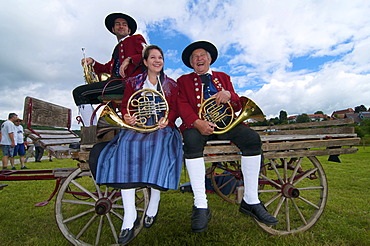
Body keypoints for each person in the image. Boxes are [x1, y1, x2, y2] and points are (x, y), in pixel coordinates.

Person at [177, 41, 278, 233]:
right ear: (191, 63)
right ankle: (201, 205)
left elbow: (238, 105)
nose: (199, 59)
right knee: (190, 141)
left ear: (209, 59)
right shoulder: (183, 81)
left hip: (226, 124)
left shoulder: (223, 77)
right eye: (195, 57)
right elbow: (182, 103)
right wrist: (197, 122)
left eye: (202, 55)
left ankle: (251, 200)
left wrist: (228, 94)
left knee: (252, 139)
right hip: (198, 126)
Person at [95, 45, 182, 244]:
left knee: (161, 148)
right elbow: (127, 105)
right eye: (153, 57)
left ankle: (154, 203)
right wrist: (128, 116)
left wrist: (167, 120)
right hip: (139, 125)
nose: (157, 61)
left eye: (160, 57)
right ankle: (129, 215)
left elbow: (175, 109)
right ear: (145, 62)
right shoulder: (133, 82)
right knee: (125, 147)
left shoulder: (171, 84)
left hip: (161, 126)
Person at [73, 12, 147, 127]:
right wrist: (93, 62)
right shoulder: (117, 48)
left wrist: (129, 59)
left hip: (129, 84)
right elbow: (108, 68)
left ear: (129, 30)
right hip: (117, 83)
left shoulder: (136, 38)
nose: (121, 26)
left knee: (80, 92)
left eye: (124, 24)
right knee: (83, 95)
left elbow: (148, 55)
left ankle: (90, 132)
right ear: (113, 29)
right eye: (117, 24)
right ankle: (91, 130)